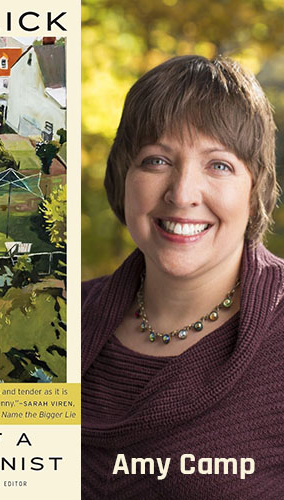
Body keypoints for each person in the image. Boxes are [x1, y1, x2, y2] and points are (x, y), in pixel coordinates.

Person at [82, 55, 284, 497]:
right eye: (156, 160)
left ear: (255, 190)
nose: (182, 193)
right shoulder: (58, 319)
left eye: (219, 165)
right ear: (123, 177)